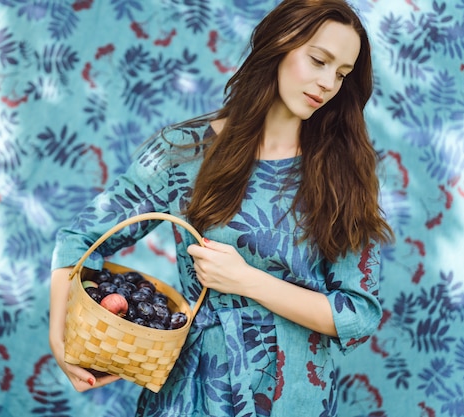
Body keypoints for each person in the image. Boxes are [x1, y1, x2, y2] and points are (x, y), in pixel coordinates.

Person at [49, 0, 394, 415]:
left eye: (341, 74)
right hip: (190, 393)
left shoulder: (344, 173)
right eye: (318, 60)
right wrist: (61, 339)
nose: (327, 83)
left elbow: (358, 313)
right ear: (278, 46)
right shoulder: (184, 152)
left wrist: (248, 280)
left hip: (291, 399)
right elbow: (80, 239)